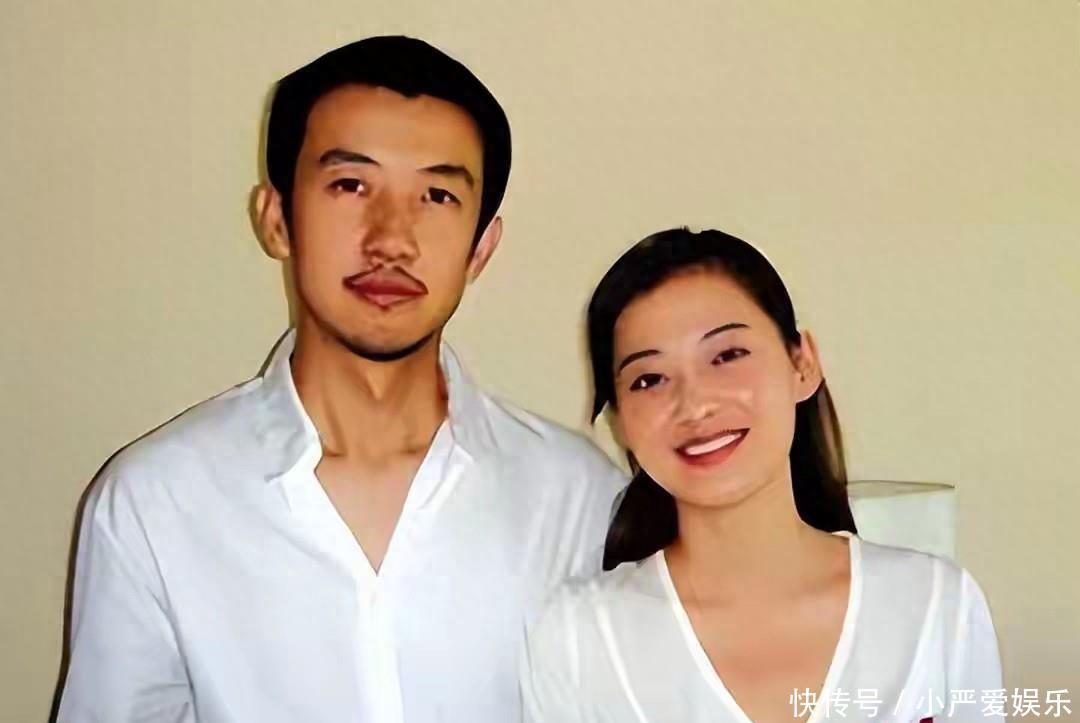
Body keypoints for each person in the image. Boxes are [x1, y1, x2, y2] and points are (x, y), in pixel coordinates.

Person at [57, 36, 624, 723]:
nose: (391, 238)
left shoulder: (578, 497)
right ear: (277, 219)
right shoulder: (154, 502)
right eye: (351, 185)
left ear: (481, 248)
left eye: (437, 194)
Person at [520, 228, 1002, 722]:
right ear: (620, 422)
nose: (695, 405)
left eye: (727, 356)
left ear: (802, 364)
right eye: (650, 379)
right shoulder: (578, 640)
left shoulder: (936, 605)